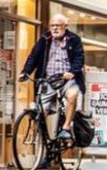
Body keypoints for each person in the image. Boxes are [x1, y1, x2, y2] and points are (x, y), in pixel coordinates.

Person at [19, 12, 85, 141]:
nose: (54, 28)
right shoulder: (45, 39)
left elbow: (79, 58)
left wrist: (72, 71)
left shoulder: (74, 39)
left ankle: (66, 128)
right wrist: (26, 72)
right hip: (48, 79)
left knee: (72, 96)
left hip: (67, 79)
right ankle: (42, 142)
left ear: (65, 26)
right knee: (40, 111)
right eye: (52, 25)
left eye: (58, 25)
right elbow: (33, 56)